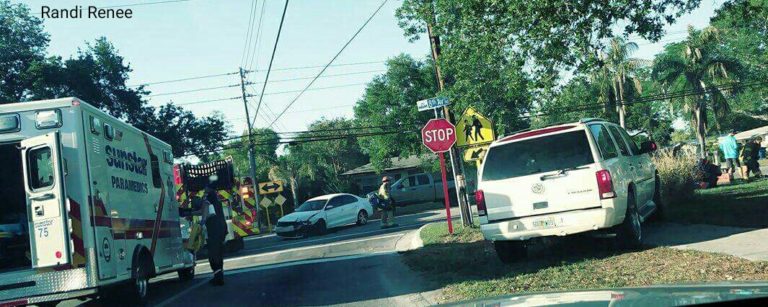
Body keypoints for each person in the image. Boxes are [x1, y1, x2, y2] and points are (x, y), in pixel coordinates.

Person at [203, 181, 227, 286]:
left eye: (206, 187)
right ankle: (219, 276)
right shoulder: (217, 199)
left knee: (213, 255)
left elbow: (205, 212)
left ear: (208, 188)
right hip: (221, 228)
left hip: (213, 229)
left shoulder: (208, 198)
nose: (204, 189)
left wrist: (202, 222)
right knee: (219, 253)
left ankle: (218, 278)